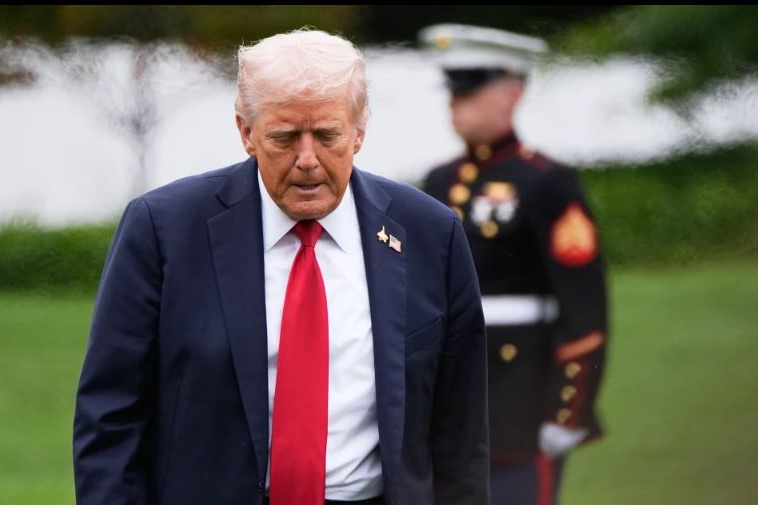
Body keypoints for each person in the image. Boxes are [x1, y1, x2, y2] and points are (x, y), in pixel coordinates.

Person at [73, 29, 489, 505]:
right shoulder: (163, 230)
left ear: (359, 131)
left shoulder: (429, 234)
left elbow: (461, 435)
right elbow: (111, 418)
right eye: (284, 137)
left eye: (327, 135)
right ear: (246, 132)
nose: (307, 159)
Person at [419, 24, 608, 505]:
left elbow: (584, 310)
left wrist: (566, 412)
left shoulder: (546, 182)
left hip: (521, 403)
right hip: (450, 402)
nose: (455, 103)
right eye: (453, 91)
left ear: (512, 91)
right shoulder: (438, 182)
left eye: (470, 90)